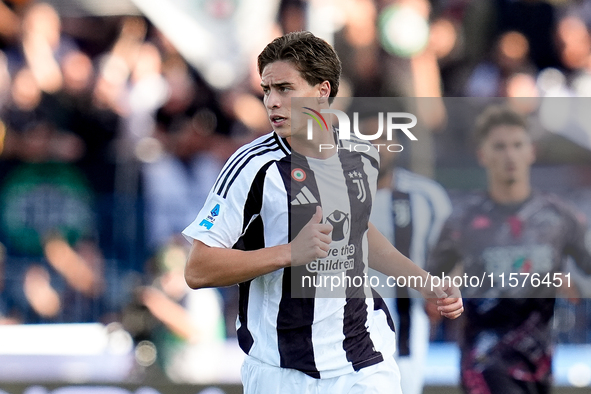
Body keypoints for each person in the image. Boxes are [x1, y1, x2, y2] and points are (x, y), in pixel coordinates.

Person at [182, 31, 463, 394]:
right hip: (281, 371)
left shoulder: (359, 155)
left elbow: (359, 233)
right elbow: (198, 268)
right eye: (267, 90)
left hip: (363, 360)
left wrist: (422, 281)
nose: (272, 102)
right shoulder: (252, 167)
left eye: (285, 89)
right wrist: (287, 254)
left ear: (322, 90)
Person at [426, 104, 591, 394]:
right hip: (482, 363)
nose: (510, 155)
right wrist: (444, 291)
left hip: (538, 364)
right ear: (483, 155)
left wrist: (574, 285)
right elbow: (428, 281)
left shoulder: (559, 217)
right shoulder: (462, 219)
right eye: (499, 147)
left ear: (531, 151)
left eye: (517, 145)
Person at [369, 124, 452, 394]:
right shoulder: (327, 192)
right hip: (341, 320)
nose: (375, 146)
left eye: (382, 137)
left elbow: (451, 254)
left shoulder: (426, 195)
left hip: (406, 320)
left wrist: (442, 291)